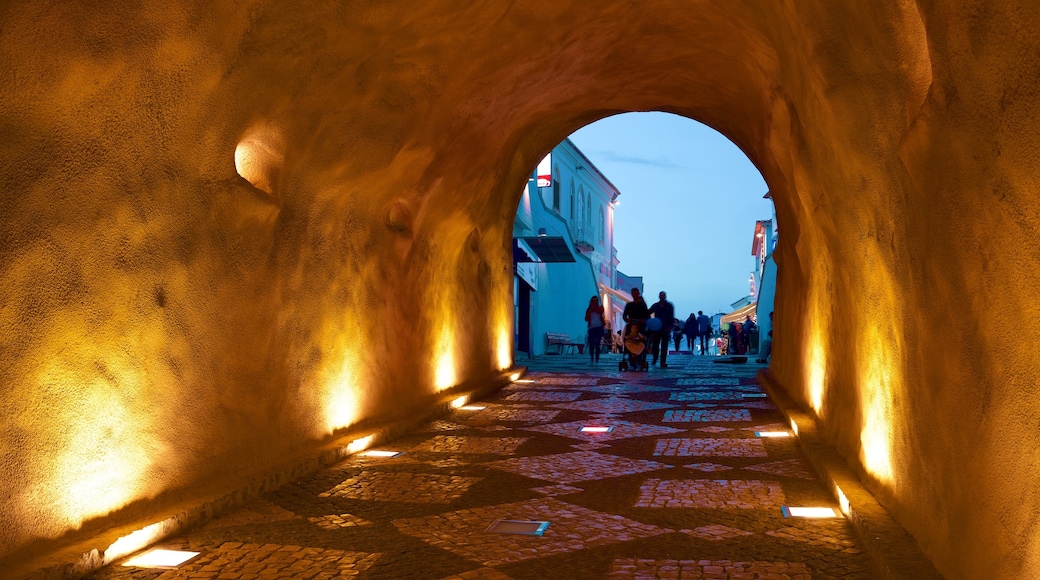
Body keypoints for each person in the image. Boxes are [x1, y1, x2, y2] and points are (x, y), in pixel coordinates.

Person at [648, 291, 675, 367]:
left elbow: (671, 316)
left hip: (666, 328)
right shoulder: (656, 305)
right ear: (659, 296)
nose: (662, 297)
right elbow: (648, 312)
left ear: (665, 296)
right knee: (655, 345)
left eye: (663, 295)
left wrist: (670, 327)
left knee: (664, 346)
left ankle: (663, 361)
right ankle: (655, 357)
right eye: (661, 295)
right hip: (657, 328)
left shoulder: (669, 306)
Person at [584, 296, 606, 363]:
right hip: (591, 328)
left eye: (596, 300)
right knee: (591, 343)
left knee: (597, 343)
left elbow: (601, 311)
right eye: (593, 300)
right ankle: (591, 357)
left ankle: (597, 358)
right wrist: (590, 311)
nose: (595, 302)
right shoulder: (589, 310)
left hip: (599, 327)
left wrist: (593, 309)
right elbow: (586, 319)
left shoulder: (600, 308)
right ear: (591, 301)